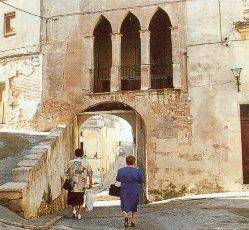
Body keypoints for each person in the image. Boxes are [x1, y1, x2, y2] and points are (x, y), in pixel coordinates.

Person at [116, 155, 144, 227]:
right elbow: (141, 180)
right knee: (134, 205)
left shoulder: (121, 170)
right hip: (134, 189)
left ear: (126, 162)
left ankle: (126, 216)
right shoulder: (138, 171)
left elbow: (118, 179)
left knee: (124, 203)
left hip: (124, 189)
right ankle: (133, 221)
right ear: (134, 162)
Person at [66, 148, 93, 220]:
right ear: (82, 154)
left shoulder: (70, 162)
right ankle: (79, 214)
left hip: (72, 185)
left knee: (73, 198)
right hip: (82, 185)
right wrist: (90, 183)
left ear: (75, 154)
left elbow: (66, 173)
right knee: (80, 199)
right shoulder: (86, 163)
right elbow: (90, 174)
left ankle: (74, 210)